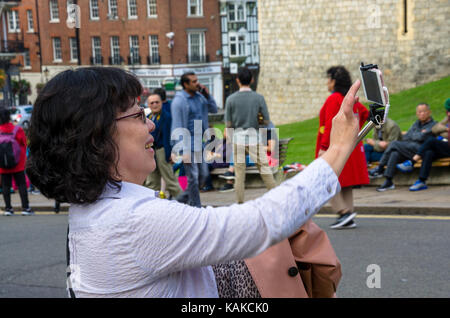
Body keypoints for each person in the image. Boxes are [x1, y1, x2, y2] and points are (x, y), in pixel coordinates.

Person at [26, 67, 362, 297]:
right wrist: (336, 152)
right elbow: (261, 222)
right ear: (97, 134)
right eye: (138, 115)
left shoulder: (91, 211)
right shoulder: (133, 223)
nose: (151, 125)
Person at [316, 66, 370, 229]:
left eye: (329, 79)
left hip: (335, 147)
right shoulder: (349, 98)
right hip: (350, 147)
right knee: (345, 183)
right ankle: (349, 215)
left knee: (324, 180)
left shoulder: (334, 99)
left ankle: (343, 212)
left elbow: (330, 124)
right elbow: (365, 114)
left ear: (334, 81)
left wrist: (324, 147)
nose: (327, 82)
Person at [224, 67, 276, 204]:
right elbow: (266, 121)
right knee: (265, 170)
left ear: (237, 81)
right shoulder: (259, 98)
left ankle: (240, 203)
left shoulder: (230, 99)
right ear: (252, 80)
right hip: (254, 138)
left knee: (239, 174)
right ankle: (277, 199)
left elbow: (228, 124)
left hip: (238, 138)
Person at [171, 72, 218, 207]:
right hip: (187, 144)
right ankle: (196, 207)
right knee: (193, 178)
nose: (197, 83)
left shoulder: (200, 98)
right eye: (193, 81)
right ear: (185, 84)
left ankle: (178, 202)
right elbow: (177, 125)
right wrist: (182, 149)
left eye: (197, 80)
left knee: (203, 176)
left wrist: (207, 95)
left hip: (200, 144)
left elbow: (214, 109)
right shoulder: (179, 101)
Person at [369, 103, 436, 191]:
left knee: (394, 144)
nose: (422, 114)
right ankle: (388, 181)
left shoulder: (434, 125)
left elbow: (421, 137)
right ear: (416, 113)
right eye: (419, 112)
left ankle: (380, 167)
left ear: (429, 112)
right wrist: (419, 134)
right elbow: (408, 136)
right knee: (394, 153)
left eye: (424, 111)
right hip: (410, 149)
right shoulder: (416, 124)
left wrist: (416, 135)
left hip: (422, 151)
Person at [396, 98, 450, 191]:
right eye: (447, 111)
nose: (448, 114)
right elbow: (435, 129)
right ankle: (421, 181)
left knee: (431, 140)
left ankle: (411, 162)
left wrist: (444, 130)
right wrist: (446, 129)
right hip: (445, 146)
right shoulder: (447, 119)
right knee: (429, 152)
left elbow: (438, 131)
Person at [144, 93, 182, 198]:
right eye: (152, 103)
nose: (155, 104)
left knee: (170, 181)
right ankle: (153, 206)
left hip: (163, 151)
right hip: (151, 152)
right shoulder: (148, 117)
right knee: (152, 182)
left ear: (161, 103)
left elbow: (172, 136)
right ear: (148, 104)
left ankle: (185, 202)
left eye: (157, 102)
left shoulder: (167, 117)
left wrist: (172, 153)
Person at [0, 107, 33, 216]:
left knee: (5, 186)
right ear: (9, 117)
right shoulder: (17, 130)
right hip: (18, 164)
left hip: (3, 164)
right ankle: (25, 208)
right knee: (21, 185)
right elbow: (24, 143)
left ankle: (8, 209)